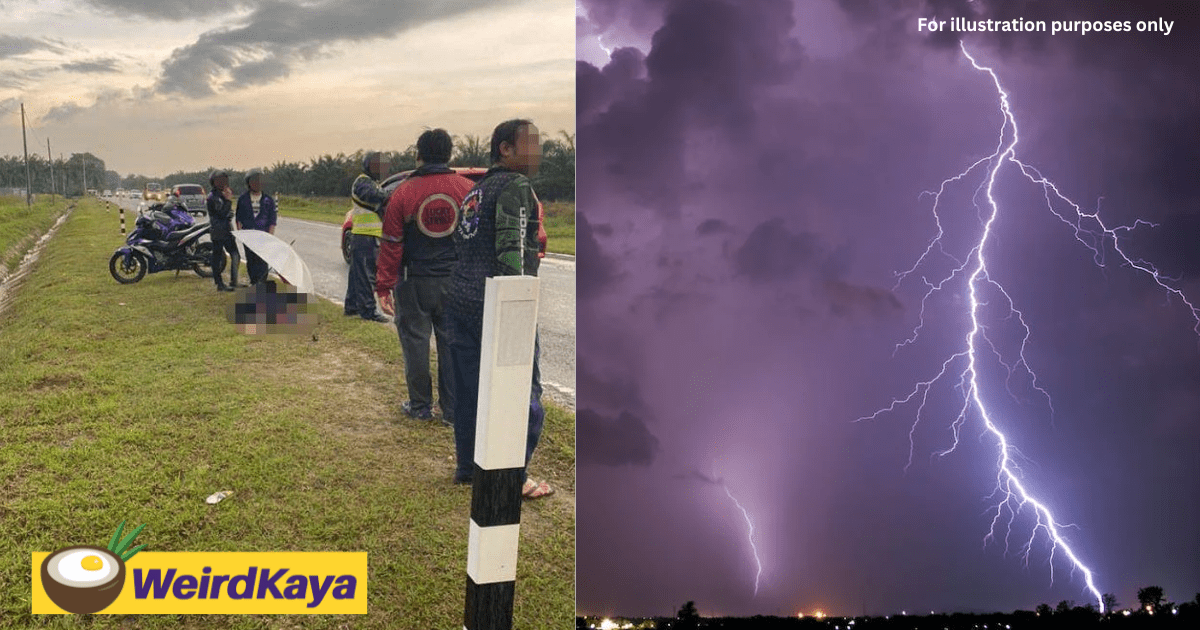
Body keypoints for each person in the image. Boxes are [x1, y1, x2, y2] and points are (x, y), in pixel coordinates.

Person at [444, 119, 552, 498]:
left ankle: (467, 467)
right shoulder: (517, 186)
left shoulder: (474, 192)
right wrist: (521, 309)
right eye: (532, 143)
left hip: (461, 299)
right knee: (524, 394)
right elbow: (513, 255)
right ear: (505, 149)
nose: (539, 150)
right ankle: (513, 477)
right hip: (500, 304)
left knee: (469, 390)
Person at [377, 129, 474, 423]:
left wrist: (383, 287)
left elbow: (392, 245)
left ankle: (420, 407)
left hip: (414, 282)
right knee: (452, 344)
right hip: (457, 283)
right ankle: (453, 411)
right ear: (450, 154)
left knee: (415, 343)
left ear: (418, 155)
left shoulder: (402, 193)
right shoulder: (469, 190)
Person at [345, 152, 392, 323]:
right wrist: (390, 196)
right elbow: (374, 196)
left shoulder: (373, 182)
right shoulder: (363, 181)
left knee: (357, 274)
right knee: (366, 275)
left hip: (366, 235)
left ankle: (351, 307)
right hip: (364, 235)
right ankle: (368, 311)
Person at [235, 171, 277, 285]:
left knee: (262, 260)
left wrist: (270, 235)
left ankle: (262, 282)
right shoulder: (243, 199)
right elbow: (238, 218)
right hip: (248, 235)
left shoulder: (268, 200)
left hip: (263, 235)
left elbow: (272, 220)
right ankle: (254, 282)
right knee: (251, 260)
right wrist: (241, 234)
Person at [206, 171, 239, 292]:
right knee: (217, 257)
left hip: (226, 230)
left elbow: (227, 214)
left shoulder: (221, 195)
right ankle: (219, 284)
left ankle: (234, 281)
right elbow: (222, 214)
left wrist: (227, 205)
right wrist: (228, 200)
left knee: (235, 255)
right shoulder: (213, 197)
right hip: (218, 231)